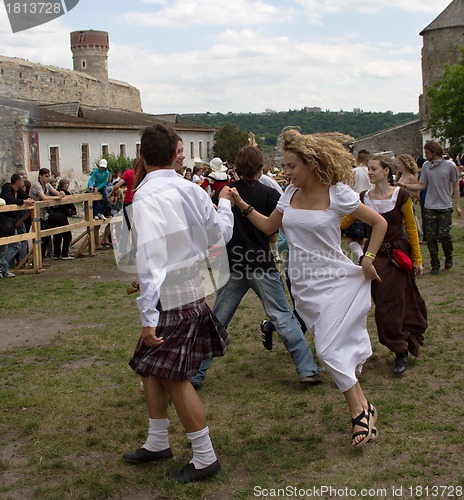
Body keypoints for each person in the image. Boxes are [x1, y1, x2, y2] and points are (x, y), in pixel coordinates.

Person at [230, 130, 387, 447]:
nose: (285, 173)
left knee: (328, 350)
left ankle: (359, 414)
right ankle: (364, 409)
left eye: (291, 166)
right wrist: (241, 204)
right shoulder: (288, 195)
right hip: (303, 285)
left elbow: (379, 223)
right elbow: (269, 227)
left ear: (311, 164)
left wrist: (369, 258)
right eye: (284, 167)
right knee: (330, 350)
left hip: (336, 280)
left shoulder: (338, 194)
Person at [122, 123, 234, 483]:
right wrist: (227, 205)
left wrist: (147, 315)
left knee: (175, 378)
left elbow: (151, 257)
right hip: (191, 287)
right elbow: (221, 235)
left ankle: (204, 458)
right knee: (151, 369)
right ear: (175, 155)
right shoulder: (193, 190)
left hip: (171, 298)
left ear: (141, 156)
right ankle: (157, 442)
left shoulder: (146, 196)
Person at [189, 145, 324, 389]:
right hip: (261, 263)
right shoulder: (271, 195)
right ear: (260, 168)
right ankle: (306, 369)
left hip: (233, 264)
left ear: (236, 169)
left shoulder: (225, 194)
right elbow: (274, 229)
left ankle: (196, 373)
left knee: (218, 320)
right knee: (282, 316)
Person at [343, 155, 428, 375]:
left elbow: (410, 229)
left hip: (398, 254)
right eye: (369, 169)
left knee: (398, 300)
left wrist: (417, 260)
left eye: (373, 169)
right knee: (383, 303)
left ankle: (401, 349)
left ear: (386, 171)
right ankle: (400, 341)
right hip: (374, 257)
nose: (369, 172)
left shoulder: (401, 195)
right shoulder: (362, 198)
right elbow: (343, 222)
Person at [397, 140, 462, 274]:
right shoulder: (426, 166)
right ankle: (435, 264)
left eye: (427, 153)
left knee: (444, 235)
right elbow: (422, 185)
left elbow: (455, 186)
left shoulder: (450, 165)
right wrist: (405, 186)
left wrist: (458, 205)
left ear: (435, 152)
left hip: (445, 205)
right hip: (430, 206)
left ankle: (448, 256)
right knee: (431, 237)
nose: (425, 155)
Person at [29, 168, 66, 266]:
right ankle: (36, 261)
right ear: (40, 176)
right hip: (34, 215)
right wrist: (57, 197)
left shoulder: (47, 185)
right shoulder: (36, 185)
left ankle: (40, 260)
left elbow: (55, 192)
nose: (47, 178)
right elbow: (44, 197)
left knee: (45, 237)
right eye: (46, 176)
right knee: (40, 238)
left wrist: (61, 193)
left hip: (43, 215)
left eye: (48, 176)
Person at [0, 173, 34, 277]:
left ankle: (3, 269)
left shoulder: (18, 190)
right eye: (22, 180)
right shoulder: (7, 189)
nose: (23, 182)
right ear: (17, 181)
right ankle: (2, 268)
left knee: (13, 246)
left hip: (11, 221)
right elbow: (10, 200)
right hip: (3, 221)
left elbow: (26, 197)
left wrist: (30, 200)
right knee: (8, 246)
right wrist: (24, 201)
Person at [345, 149, 373, 264]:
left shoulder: (354, 172)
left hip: (355, 205)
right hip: (369, 206)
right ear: (367, 159)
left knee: (351, 237)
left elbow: (348, 188)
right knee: (362, 237)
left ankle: (360, 256)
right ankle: (359, 260)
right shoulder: (371, 171)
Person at [48, 179, 77, 260]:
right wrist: (73, 211)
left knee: (57, 235)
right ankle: (65, 253)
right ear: (65, 185)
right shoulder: (64, 193)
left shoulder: (55, 192)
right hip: (60, 216)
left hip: (52, 215)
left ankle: (56, 254)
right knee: (67, 235)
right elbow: (71, 205)